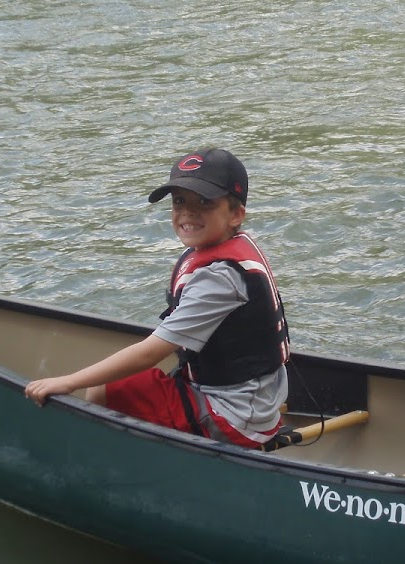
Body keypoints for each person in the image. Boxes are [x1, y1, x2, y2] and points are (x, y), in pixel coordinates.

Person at [24, 148, 290, 449]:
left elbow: (152, 353)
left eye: (204, 202)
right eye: (179, 201)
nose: (188, 213)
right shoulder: (229, 247)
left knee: (101, 390)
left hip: (234, 419)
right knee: (120, 382)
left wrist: (68, 382)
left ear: (236, 214)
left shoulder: (219, 279)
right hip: (254, 401)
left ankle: (115, 462)